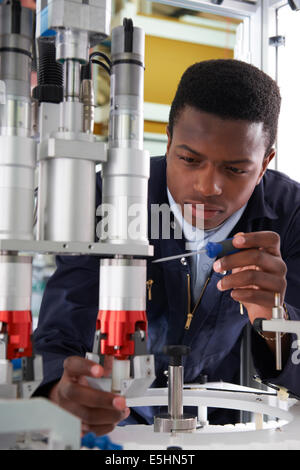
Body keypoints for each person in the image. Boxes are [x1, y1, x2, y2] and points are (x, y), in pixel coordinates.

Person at [33, 59, 300, 436]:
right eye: (190, 159)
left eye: (236, 169)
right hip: (114, 414)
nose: (209, 187)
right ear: (169, 140)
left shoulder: (290, 215)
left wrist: (276, 320)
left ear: (264, 164)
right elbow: (60, 332)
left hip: (215, 421)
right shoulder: (110, 195)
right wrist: (55, 391)